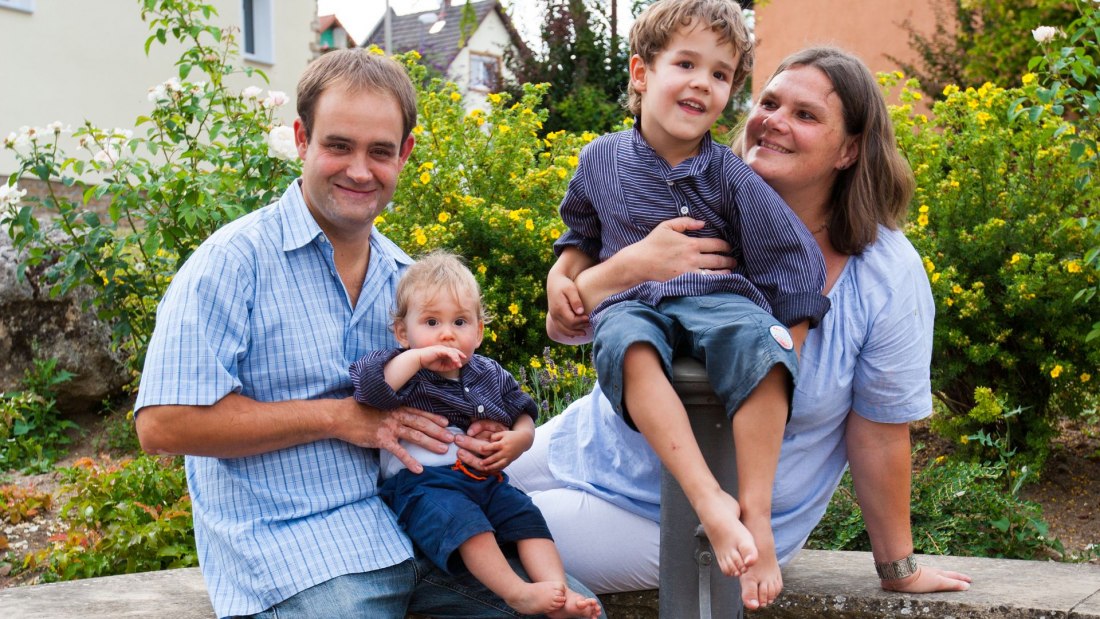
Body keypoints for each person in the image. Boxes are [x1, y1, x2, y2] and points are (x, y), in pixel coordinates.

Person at [134, 49, 600, 619]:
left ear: (403, 154)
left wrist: (484, 433)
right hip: (296, 554)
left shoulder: (409, 283)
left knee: (575, 610)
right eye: (338, 145)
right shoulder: (232, 263)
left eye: (380, 151)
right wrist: (340, 418)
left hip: (419, 529)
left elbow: (457, 390)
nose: (360, 170)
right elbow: (161, 425)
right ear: (302, 139)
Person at [507, 46, 974, 610]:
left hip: (672, 515)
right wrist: (597, 270)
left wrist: (897, 567)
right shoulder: (691, 198)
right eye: (769, 102)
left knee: (470, 534)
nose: (773, 121)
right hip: (588, 443)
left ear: (850, 149)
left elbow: (878, 430)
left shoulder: (885, 274)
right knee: (433, 476)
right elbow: (576, 330)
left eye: (805, 115)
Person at [549, 0, 829, 602]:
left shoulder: (729, 174)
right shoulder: (600, 159)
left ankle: (754, 513)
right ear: (641, 72)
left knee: (763, 345)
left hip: (714, 300)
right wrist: (561, 273)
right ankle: (709, 499)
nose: (703, 82)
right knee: (626, 347)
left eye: (722, 73)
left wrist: (787, 339)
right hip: (633, 303)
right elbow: (579, 238)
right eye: (686, 63)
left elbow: (791, 254)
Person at [348, 251, 601, 619]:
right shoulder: (402, 370)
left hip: (485, 479)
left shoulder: (488, 373)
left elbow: (524, 411)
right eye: (431, 321)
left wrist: (520, 440)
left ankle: (557, 591)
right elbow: (369, 390)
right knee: (465, 522)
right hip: (422, 486)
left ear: (479, 332)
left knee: (525, 515)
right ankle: (516, 593)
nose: (446, 333)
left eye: (460, 321)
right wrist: (416, 358)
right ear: (403, 332)